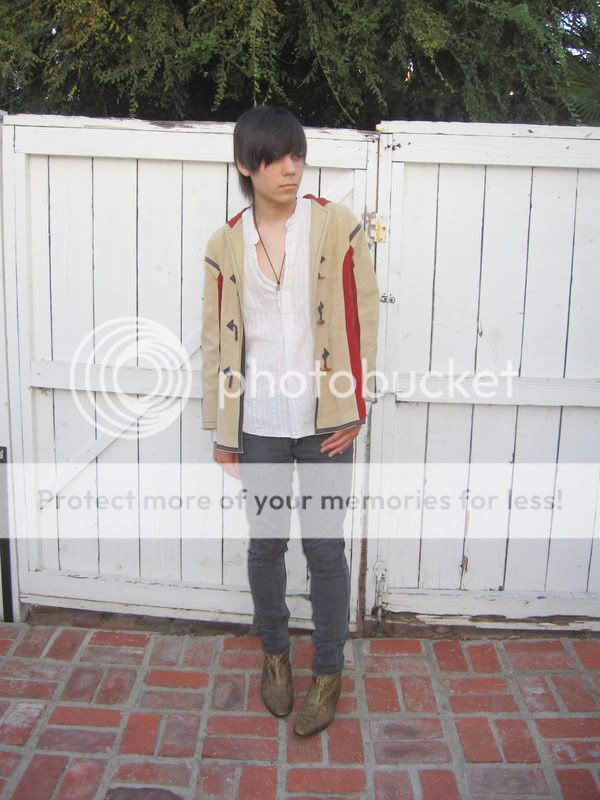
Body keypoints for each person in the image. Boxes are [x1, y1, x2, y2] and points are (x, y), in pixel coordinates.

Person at [201, 105, 379, 736]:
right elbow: (218, 343)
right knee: (267, 543)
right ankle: (276, 657)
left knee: (325, 547)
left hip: (325, 421)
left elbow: (362, 320)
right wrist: (223, 433)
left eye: (297, 155)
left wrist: (356, 405)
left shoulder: (336, 226)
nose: (291, 168)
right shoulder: (225, 244)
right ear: (246, 165)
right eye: (275, 158)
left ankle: (327, 670)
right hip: (259, 424)